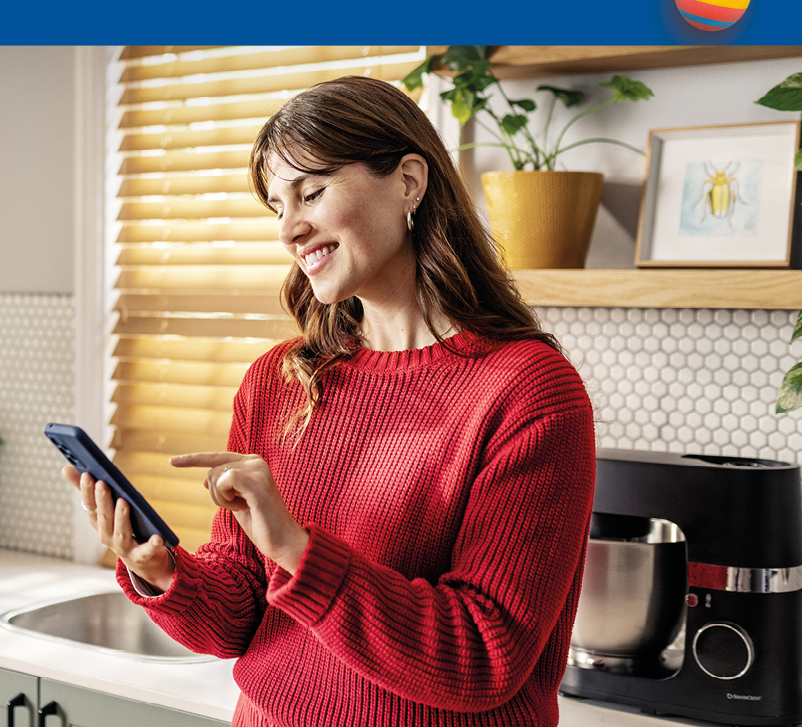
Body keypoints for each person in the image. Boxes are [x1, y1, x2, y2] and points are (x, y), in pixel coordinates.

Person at [61, 75, 596, 727]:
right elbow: (242, 619)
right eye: (277, 207)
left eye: (311, 192)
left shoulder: (528, 394)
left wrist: (296, 550)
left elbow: (482, 656)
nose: (290, 228)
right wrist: (164, 572)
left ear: (408, 182)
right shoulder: (278, 382)